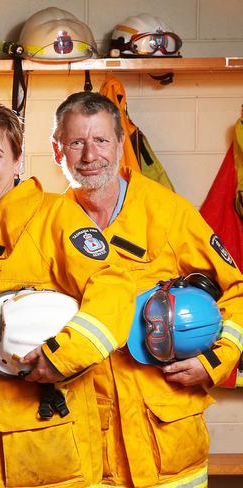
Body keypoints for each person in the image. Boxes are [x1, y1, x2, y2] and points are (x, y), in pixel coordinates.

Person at [0, 103, 136, 488]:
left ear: (17, 161)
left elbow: (115, 289)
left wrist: (63, 357)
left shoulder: (54, 218)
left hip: (45, 456)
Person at [51, 91, 243, 487]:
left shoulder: (169, 213)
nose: (90, 155)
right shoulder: (48, 224)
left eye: (101, 140)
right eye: (76, 142)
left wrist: (215, 361)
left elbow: (237, 290)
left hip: (167, 442)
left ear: (121, 146)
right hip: (89, 444)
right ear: (58, 151)